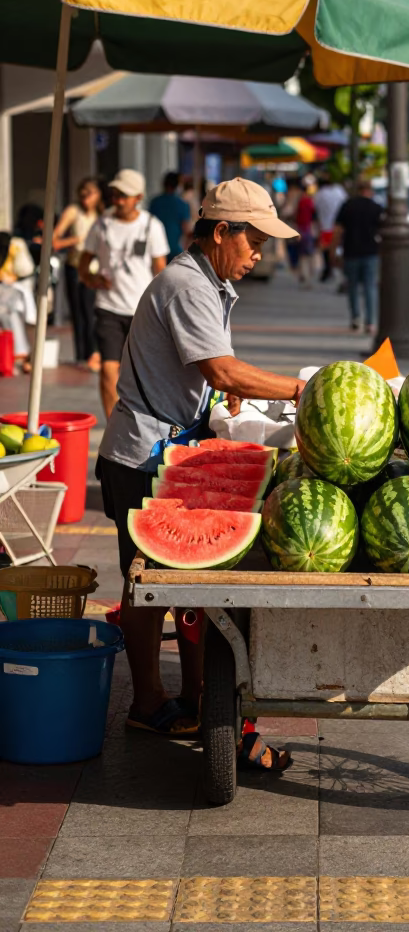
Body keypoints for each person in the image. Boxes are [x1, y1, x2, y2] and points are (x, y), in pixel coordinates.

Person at [96, 177, 304, 761]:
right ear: (221, 233)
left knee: (185, 578)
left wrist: (220, 390)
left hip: (165, 447)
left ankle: (196, 696)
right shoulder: (188, 286)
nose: (258, 254)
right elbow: (223, 368)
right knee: (147, 586)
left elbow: (210, 371)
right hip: (141, 456)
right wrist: (300, 390)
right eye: (253, 241)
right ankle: (147, 703)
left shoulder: (205, 283)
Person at [79, 169, 169, 419]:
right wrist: (92, 278)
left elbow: (161, 271)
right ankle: (113, 425)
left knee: (143, 373)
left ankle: (142, 422)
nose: (118, 201)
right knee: (108, 370)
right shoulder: (101, 225)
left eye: (124, 196)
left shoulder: (151, 226)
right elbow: (83, 263)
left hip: (142, 310)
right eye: (115, 194)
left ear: (138, 197)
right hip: (108, 308)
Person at [53, 177, 104, 371]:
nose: (86, 199)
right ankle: (82, 354)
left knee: (92, 311)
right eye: (83, 195)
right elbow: (55, 240)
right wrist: (77, 240)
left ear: (98, 195)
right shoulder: (73, 211)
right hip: (75, 266)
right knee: (78, 312)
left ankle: (93, 353)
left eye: (90, 195)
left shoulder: (102, 214)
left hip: (94, 267)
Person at [333, 180, 383, 333]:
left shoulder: (347, 205)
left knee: (352, 286)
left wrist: (334, 250)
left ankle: (355, 318)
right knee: (370, 287)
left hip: (351, 251)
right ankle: (370, 322)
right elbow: (382, 232)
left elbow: (338, 230)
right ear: (370, 190)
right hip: (370, 252)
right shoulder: (376, 207)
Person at [0, 232, 32, 371]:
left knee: (11, 317)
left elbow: (24, 269)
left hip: (10, 294)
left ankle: (18, 355)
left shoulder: (15, 248)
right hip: (7, 296)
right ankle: (19, 355)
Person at [149, 172, 192, 261]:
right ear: (178, 185)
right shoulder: (182, 204)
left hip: (156, 249)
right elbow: (186, 228)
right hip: (174, 249)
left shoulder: (155, 202)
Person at [314, 174, 347, 282]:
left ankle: (328, 268)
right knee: (339, 249)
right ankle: (337, 270)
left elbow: (316, 209)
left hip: (325, 226)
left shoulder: (319, 194)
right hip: (339, 225)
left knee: (326, 249)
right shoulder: (339, 191)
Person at [295, 179, 316, 284]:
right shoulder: (310, 201)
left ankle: (303, 274)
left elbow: (296, 216)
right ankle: (308, 275)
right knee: (309, 254)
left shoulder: (300, 201)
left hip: (301, 229)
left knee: (302, 254)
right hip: (308, 229)